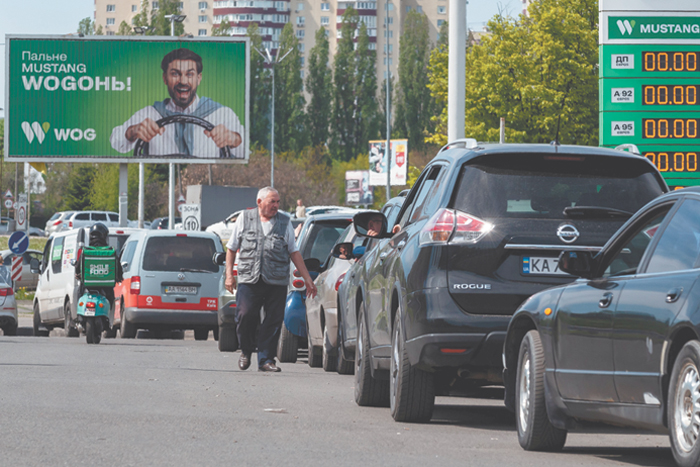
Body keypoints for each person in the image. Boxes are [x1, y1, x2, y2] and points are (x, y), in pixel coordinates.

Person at [225, 187, 317, 372]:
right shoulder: (244, 218)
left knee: (273, 320)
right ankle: (246, 350)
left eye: (277, 202)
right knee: (245, 314)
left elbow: (294, 252)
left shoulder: (284, 222)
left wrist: (307, 278)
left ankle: (266, 359)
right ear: (259, 202)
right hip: (249, 279)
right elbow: (231, 248)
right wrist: (229, 275)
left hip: (276, 280)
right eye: (271, 202)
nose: (275, 206)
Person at [110, 48, 244, 159]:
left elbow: (246, 150)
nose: (183, 81)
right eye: (175, 74)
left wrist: (234, 139)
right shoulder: (150, 114)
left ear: (199, 78)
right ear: (165, 78)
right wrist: (133, 131)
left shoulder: (221, 113)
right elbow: (115, 141)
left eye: (189, 74)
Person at [74, 223, 124, 308]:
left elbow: (77, 268)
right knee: (111, 300)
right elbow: (118, 268)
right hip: (106, 289)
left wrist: (78, 274)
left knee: (79, 293)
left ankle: (79, 314)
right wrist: (119, 277)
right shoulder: (110, 252)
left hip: (88, 287)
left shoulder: (86, 251)